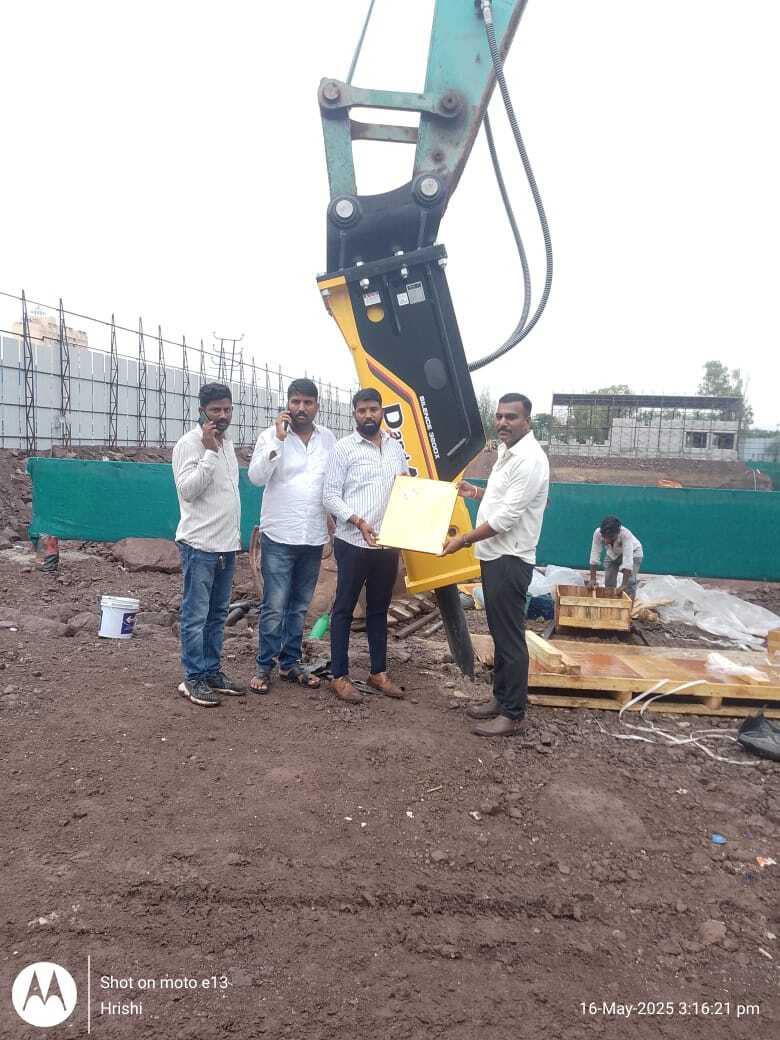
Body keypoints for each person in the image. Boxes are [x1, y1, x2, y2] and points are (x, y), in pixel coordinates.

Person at [442, 393, 549, 737]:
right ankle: (500, 698)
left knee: (510, 637)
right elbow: (502, 497)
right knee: (499, 634)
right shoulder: (507, 451)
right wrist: (476, 493)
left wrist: (463, 540)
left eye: (511, 417)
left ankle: (513, 714)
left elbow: (505, 518)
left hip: (510, 558)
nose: (503, 422)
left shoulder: (529, 459)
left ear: (527, 421)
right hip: (494, 555)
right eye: (500, 416)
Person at [247, 378, 336, 693]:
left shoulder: (328, 439)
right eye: (295, 402)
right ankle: (263, 667)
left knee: (299, 606)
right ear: (287, 404)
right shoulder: (270, 436)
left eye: (307, 402)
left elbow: (331, 483)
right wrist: (278, 440)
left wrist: (332, 521)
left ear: (316, 406)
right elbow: (256, 477)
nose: (301, 408)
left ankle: (289, 663)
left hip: (312, 536)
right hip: (279, 535)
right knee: (275, 605)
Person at [322, 388, 408, 704]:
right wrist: (358, 521)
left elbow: (405, 487)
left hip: (387, 543)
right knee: (344, 609)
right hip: (353, 542)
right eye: (362, 410)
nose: (368, 415)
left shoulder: (395, 447)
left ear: (381, 411)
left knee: (378, 609)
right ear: (355, 414)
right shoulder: (343, 449)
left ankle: (378, 672)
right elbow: (329, 496)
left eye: (373, 409)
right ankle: (339, 676)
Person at [172, 383, 244, 707]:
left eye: (227, 409)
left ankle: (212, 671)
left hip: (226, 546)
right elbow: (188, 491)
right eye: (216, 410)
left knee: (217, 615)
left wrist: (217, 448)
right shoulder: (189, 445)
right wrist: (209, 452)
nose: (222, 416)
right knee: (195, 616)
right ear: (202, 411)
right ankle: (193, 678)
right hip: (200, 546)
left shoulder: (228, 444)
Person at [588, 516, 643, 597]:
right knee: (609, 580)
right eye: (604, 537)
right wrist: (592, 579)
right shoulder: (597, 533)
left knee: (629, 582)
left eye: (610, 537)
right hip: (613, 553)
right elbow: (594, 554)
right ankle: (610, 600)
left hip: (633, 552)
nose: (606, 541)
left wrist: (624, 584)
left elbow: (628, 560)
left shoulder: (625, 534)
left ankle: (629, 603)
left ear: (617, 533)